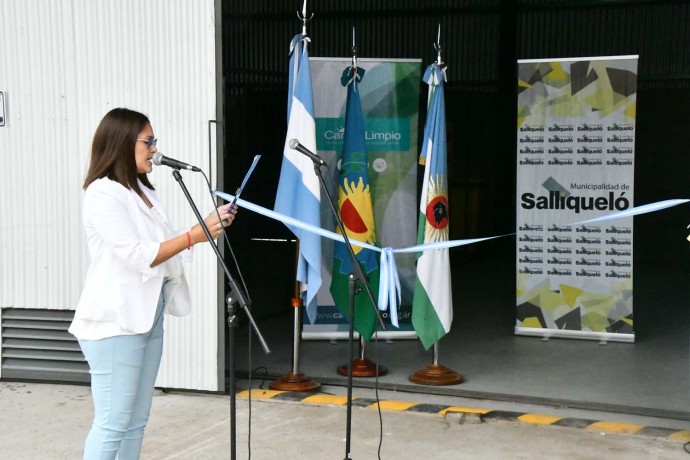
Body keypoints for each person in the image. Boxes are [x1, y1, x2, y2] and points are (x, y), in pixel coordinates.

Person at [69, 107, 236, 459]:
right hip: (116, 323)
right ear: (122, 143)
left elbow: (168, 247)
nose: (155, 149)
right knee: (113, 423)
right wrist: (194, 235)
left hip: (148, 316)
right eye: (149, 141)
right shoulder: (102, 193)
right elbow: (138, 254)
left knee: (135, 421)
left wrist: (203, 227)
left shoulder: (144, 191)